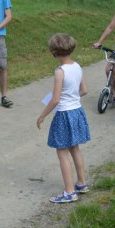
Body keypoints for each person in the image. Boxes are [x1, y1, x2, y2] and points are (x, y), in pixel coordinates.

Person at [37, 33, 90, 204]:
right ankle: (81, 183)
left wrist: (42, 115)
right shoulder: (77, 66)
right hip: (77, 111)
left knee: (62, 152)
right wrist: (72, 95)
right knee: (75, 148)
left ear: (53, 51)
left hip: (64, 114)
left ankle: (69, 192)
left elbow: (55, 99)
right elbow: (84, 90)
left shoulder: (60, 72)